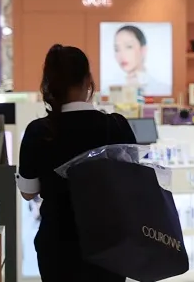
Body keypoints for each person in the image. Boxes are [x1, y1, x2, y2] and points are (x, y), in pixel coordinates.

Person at [17, 45, 137, 282]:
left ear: (49, 85)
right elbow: (133, 180)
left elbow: (28, 192)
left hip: (58, 244)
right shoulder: (116, 126)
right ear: (88, 80)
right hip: (110, 243)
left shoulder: (39, 131)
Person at [112, 25, 158, 93]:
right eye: (117, 49)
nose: (122, 55)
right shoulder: (110, 91)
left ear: (143, 50)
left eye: (129, 46)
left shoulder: (160, 88)